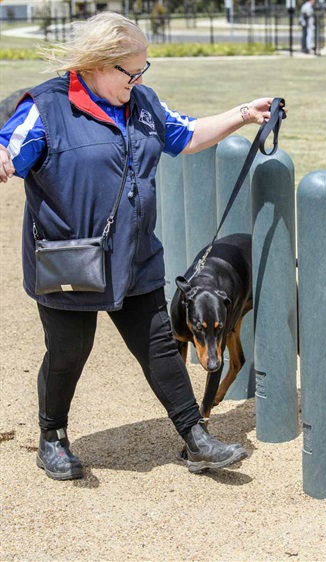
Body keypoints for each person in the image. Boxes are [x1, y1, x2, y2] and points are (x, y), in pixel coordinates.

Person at [0, 12, 281, 481]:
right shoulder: (46, 108)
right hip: (70, 261)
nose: (139, 79)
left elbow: (186, 135)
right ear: (96, 65)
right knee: (69, 352)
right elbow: (10, 144)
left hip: (134, 258)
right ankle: (52, 438)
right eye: (131, 71)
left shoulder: (143, 103)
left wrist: (244, 115)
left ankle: (196, 438)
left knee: (158, 348)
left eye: (143, 69)